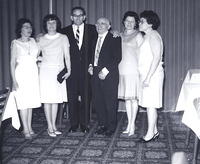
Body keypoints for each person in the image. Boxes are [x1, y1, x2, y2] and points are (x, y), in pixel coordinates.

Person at [61, 7, 97, 133]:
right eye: (75, 15)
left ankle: (84, 124)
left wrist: (115, 32)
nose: (77, 17)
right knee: (72, 97)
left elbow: (106, 34)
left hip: (87, 69)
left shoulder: (92, 29)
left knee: (86, 97)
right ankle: (74, 124)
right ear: (71, 17)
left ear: (84, 17)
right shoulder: (63, 31)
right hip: (71, 70)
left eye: (80, 15)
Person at [38, 14, 71, 137]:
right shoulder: (41, 39)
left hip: (59, 72)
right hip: (46, 72)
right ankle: (49, 126)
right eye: (48, 23)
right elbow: (34, 55)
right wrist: (42, 60)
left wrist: (69, 70)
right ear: (45, 25)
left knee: (56, 100)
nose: (51, 25)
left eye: (53, 23)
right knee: (47, 100)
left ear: (57, 24)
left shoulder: (63, 37)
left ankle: (54, 126)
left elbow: (67, 56)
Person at [88, 17, 122, 137]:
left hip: (109, 74)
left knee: (110, 102)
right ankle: (102, 125)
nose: (99, 25)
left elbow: (117, 57)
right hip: (95, 74)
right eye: (97, 23)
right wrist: (91, 65)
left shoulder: (114, 38)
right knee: (98, 101)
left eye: (103, 23)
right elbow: (92, 56)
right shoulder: (94, 39)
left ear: (109, 26)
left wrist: (105, 71)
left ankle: (111, 127)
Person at [10, 18, 41, 139]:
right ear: (20, 29)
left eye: (30, 27)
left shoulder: (34, 41)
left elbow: (37, 56)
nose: (29, 29)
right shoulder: (15, 43)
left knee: (31, 101)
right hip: (21, 74)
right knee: (23, 102)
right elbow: (12, 63)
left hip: (32, 74)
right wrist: (13, 80)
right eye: (26, 27)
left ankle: (30, 127)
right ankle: (26, 129)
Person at [138, 10, 164, 142]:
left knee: (151, 105)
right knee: (149, 104)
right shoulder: (147, 36)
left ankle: (149, 134)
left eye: (142, 21)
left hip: (153, 76)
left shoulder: (153, 35)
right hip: (147, 75)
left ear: (150, 23)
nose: (139, 23)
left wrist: (148, 77)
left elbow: (156, 58)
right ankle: (154, 131)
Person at [118, 11, 143, 136]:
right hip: (121, 70)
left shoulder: (139, 35)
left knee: (134, 100)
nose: (129, 23)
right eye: (127, 21)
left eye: (132, 21)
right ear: (123, 22)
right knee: (128, 99)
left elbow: (143, 55)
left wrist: (141, 71)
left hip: (134, 71)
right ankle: (129, 124)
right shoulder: (119, 35)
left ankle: (132, 125)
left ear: (136, 23)